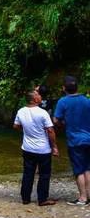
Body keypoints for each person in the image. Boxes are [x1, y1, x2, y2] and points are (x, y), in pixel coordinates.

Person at [13, 89, 59, 206]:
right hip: (43, 149)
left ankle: (25, 198)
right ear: (34, 99)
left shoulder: (21, 111)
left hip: (27, 148)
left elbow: (15, 126)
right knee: (44, 174)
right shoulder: (43, 113)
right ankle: (42, 199)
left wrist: (26, 130)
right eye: (38, 95)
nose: (40, 96)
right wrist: (54, 147)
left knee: (28, 173)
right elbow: (50, 131)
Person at [53, 75, 90, 205]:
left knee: (78, 169)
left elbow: (56, 120)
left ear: (64, 88)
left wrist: (63, 123)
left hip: (75, 140)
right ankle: (89, 195)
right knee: (87, 168)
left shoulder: (63, 102)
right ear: (77, 87)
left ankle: (83, 198)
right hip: (88, 138)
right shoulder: (87, 100)